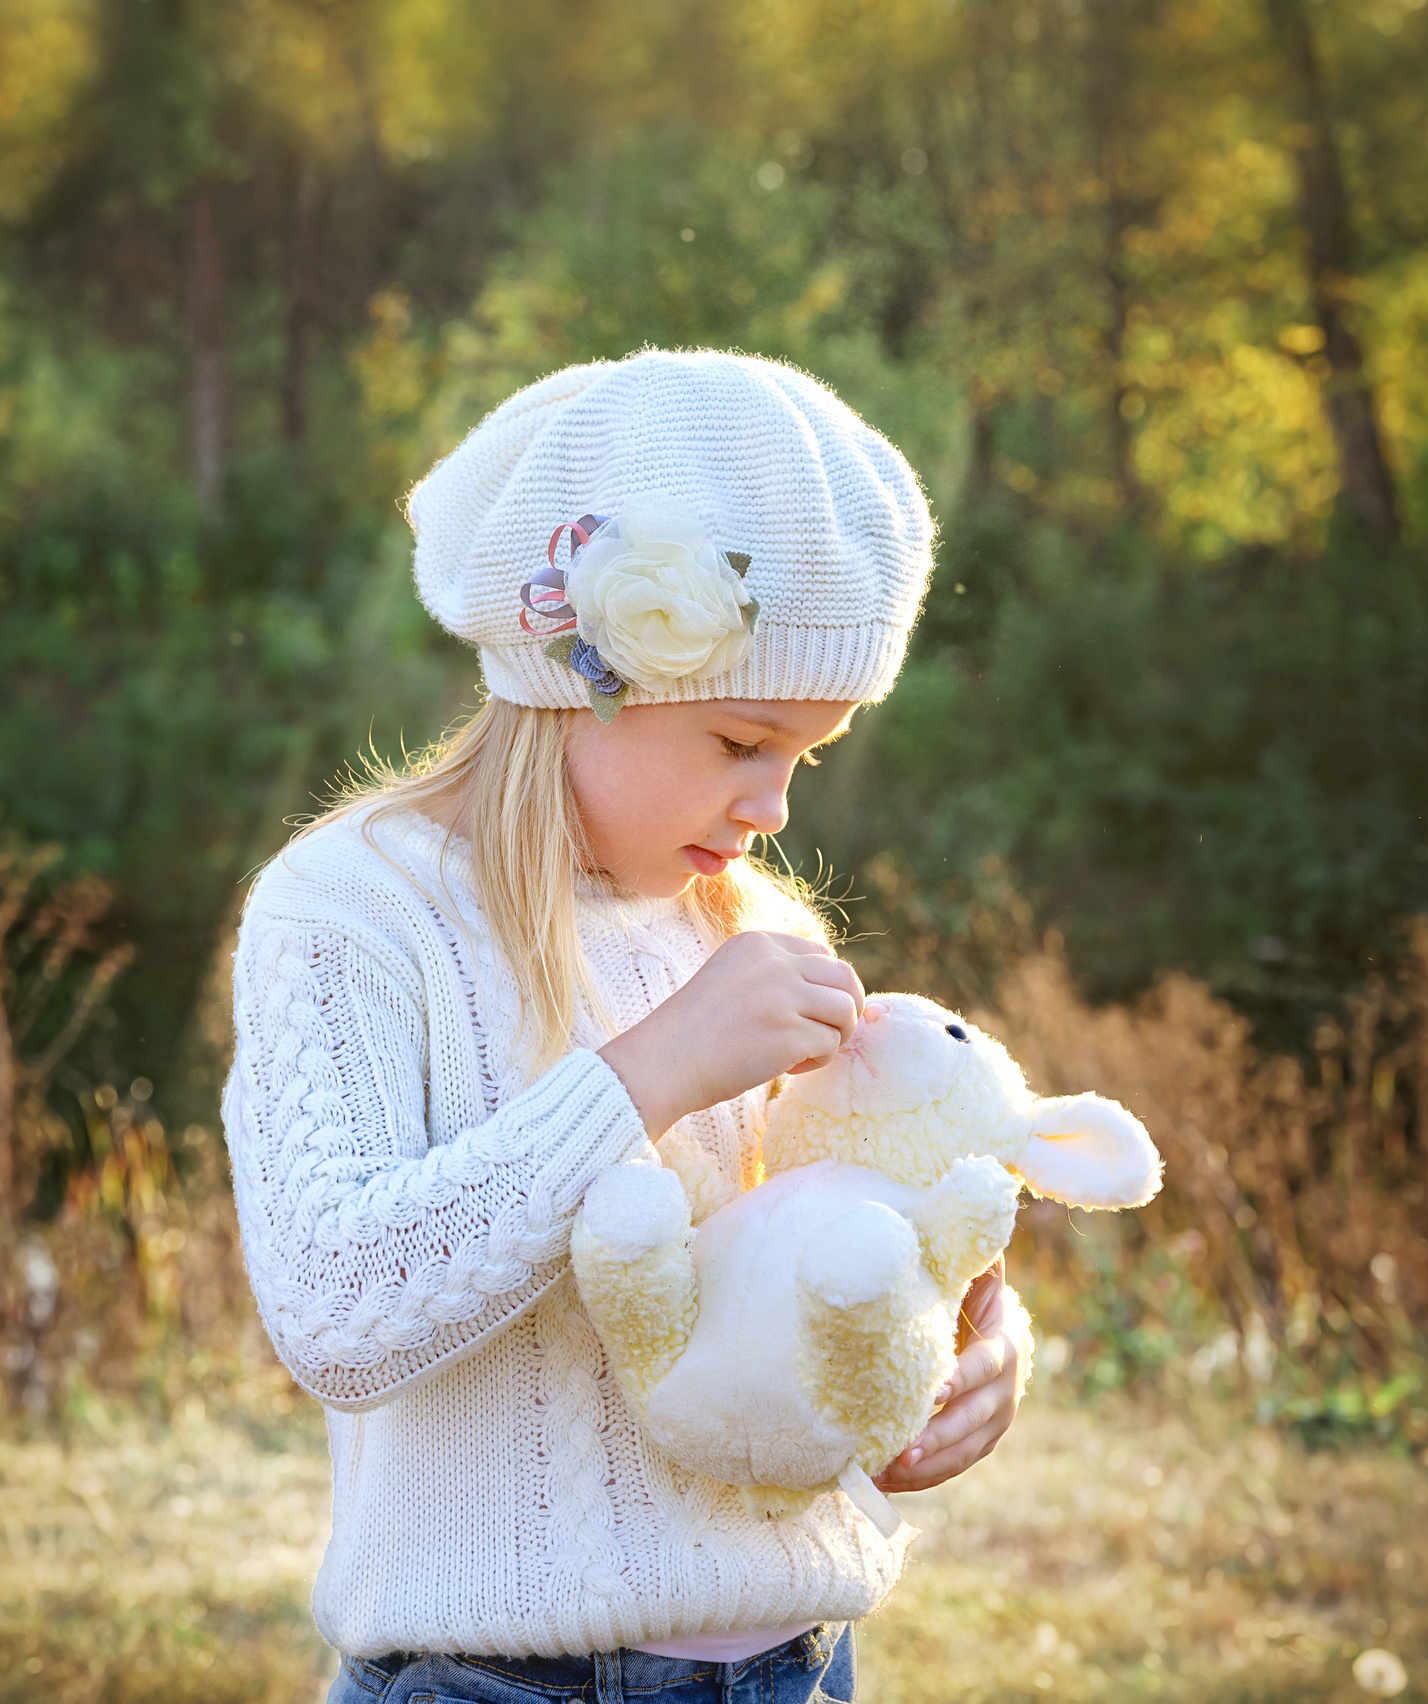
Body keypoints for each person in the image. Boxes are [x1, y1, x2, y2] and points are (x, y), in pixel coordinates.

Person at [220, 350, 1034, 1703]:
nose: (773, 806)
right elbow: (338, 1314)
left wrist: (972, 1349)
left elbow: (853, 1237)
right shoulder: (353, 910)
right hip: (490, 1682)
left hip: (796, 1663)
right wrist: (647, 1076)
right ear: (575, 677)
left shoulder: (759, 936)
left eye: (806, 757)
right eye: (739, 742)